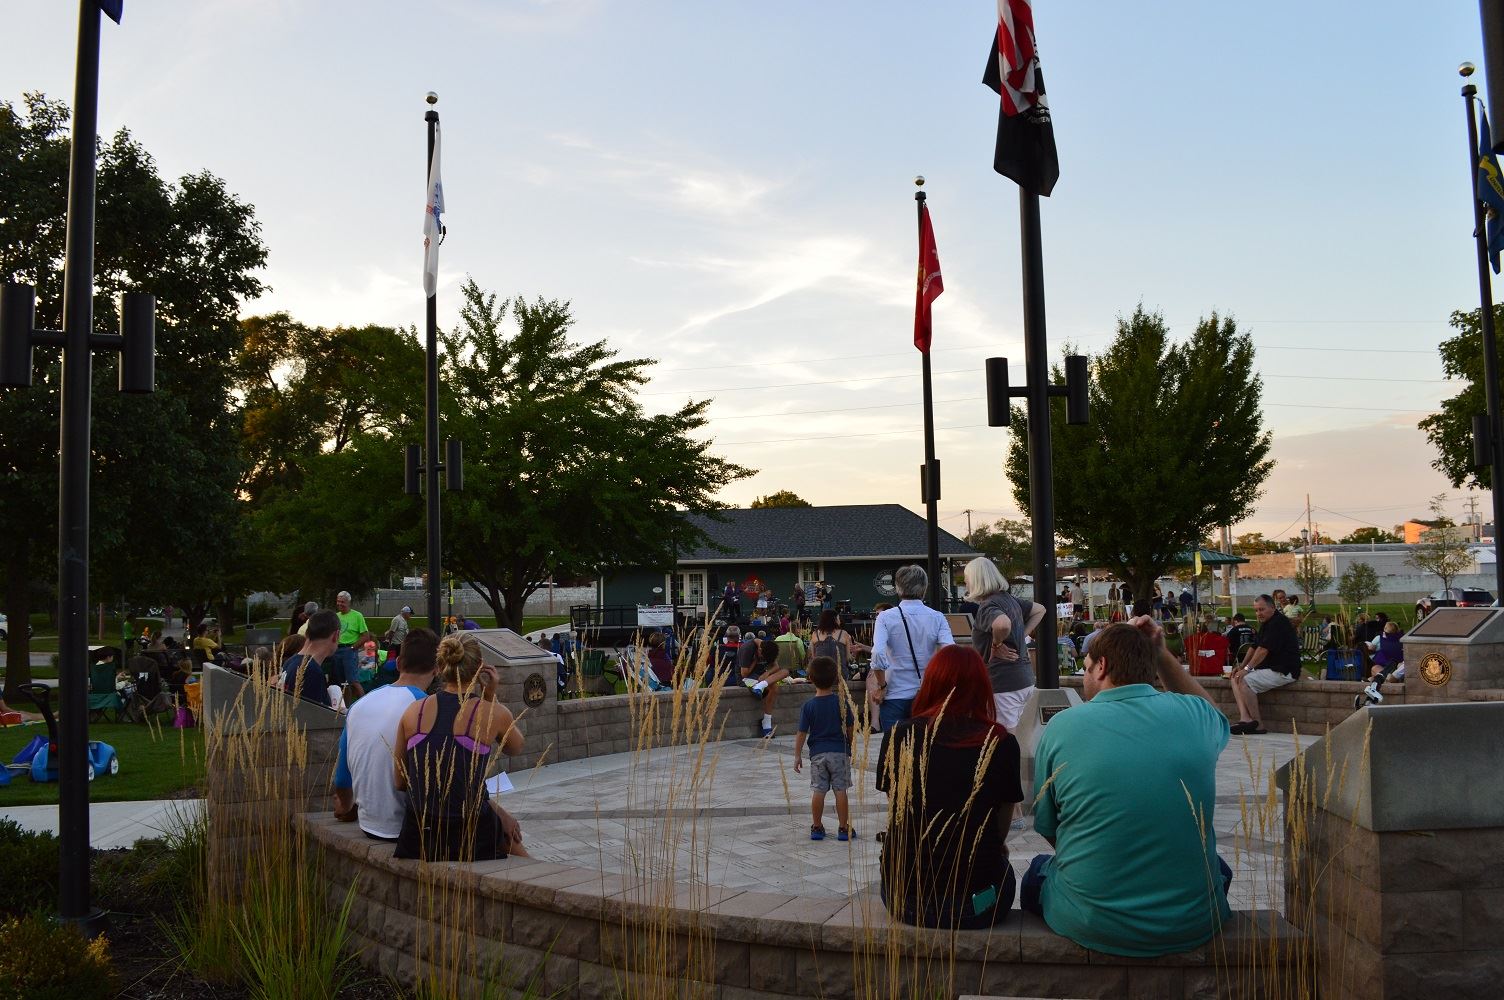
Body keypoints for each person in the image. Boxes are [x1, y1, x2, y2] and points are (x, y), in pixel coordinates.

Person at [1022, 618, 1232, 956]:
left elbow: (1050, 828)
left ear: (1102, 667)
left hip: (1092, 922)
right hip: (1193, 921)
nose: (1084, 676)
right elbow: (1215, 716)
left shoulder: (1062, 726)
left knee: (1036, 873)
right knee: (1218, 869)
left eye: (1086, 668)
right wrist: (1162, 655)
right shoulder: (1194, 715)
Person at [877, 644, 1023, 929]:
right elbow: (1002, 821)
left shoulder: (899, 735)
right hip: (976, 904)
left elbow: (897, 806)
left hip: (904, 898)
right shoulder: (1001, 742)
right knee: (1009, 870)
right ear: (982, 687)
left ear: (931, 683)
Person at [393, 631, 527, 861]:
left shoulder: (413, 711)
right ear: (479, 668)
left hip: (419, 834)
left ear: (441, 665)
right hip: (472, 834)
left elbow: (400, 781)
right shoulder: (492, 712)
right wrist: (490, 696)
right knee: (516, 845)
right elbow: (515, 747)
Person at [334, 628, 441, 840]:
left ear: (399, 663)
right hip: (410, 828)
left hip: (368, 824)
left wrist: (346, 808)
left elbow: (342, 778)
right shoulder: (427, 708)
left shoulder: (359, 705)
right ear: (437, 669)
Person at [868, 565, 955, 732]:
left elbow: (878, 653)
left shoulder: (885, 617)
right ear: (924, 588)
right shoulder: (937, 617)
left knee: (895, 752)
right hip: (926, 694)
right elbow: (950, 653)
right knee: (924, 750)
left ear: (898, 588)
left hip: (894, 694)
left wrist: (881, 686)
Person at [965, 557, 1045, 731]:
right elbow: (1040, 610)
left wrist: (996, 644)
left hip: (1003, 683)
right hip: (1024, 680)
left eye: (967, 579)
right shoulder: (1009, 599)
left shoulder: (988, 605)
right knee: (1020, 738)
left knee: (1003, 739)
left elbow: (1002, 624)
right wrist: (1021, 635)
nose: (965, 583)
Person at [793, 656, 856, 842]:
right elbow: (851, 727)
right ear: (836, 678)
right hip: (839, 752)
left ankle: (817, 827)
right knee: (840, 790)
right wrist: (849, 744)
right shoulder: (842, 702)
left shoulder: (808, 706)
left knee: (818, 790)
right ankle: (843, 828)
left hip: (818, 754)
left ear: (810, 678)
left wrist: (797, 755)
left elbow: (801, 733)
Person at [1229, 594, 1301, 734]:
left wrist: (1248, 669)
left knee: (1245, 681)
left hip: (1284, 670)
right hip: (1270, 668)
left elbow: (1263, 650)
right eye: (1256, 610)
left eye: (1261, 609)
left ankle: (1258, 724)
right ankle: (1246, 718)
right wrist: (1242, 667)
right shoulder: (1266, 623)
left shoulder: (1278, 623)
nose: (1258, 613)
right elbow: (1254, 647)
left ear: (1272, 607)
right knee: (1235, 677)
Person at [281, 610, 340, 707]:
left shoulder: (291, 661)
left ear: (307, 633)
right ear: (335, 635)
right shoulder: (311, 671)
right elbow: (313, 718)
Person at [743, 639, 790, 736]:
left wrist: (767, 673)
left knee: (785, 671)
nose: (763, 659)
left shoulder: (768, 648)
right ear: (759, 650)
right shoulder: (747, 649)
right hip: (749, 678)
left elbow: (776, 667)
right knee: (774, 688)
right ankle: (766, 724)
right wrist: (755, 661)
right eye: (762, 657)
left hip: (762, 677)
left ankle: (761, 686)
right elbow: (744, 674)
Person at [1358, 621, 1406, 707]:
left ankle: (1375, 683)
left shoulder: (1380, 637)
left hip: (1388, 664)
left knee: (1375, 671)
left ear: (1385, 629)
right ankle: (1373, 683)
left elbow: (1371, 647)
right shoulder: (1401, 638)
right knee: (1375, 674)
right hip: (1396, 664)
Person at [809, 610, 865, 679]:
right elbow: (848, 659)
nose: (840, 621)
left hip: (820, 676)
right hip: (839, 676)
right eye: (838, 618)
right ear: (834, 620)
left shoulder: (815, 634)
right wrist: (855, 653)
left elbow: (814, 657)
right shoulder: (844, 634)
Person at [329, 591, 368, 686]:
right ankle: (346, 701)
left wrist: (352, 648)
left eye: (342, 602)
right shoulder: (336, 616)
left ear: (348, 603)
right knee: (341, 682)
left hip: (349, 650)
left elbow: (366, 636)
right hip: (337, 650)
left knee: (352, 681)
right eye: (338, 601)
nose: (339, 604)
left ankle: (362, 700)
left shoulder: (357, 616)